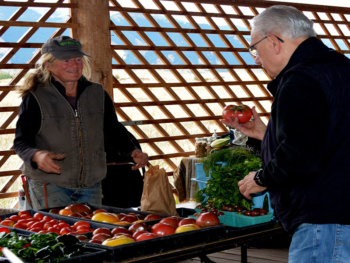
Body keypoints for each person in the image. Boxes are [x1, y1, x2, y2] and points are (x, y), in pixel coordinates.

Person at [221, 5, 350, 262]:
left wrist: (261, 177)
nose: (256, 59)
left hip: (323, 219)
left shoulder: (300, 80)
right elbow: (326, 138)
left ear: (273, 41)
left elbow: (300, 157)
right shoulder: (340, 67)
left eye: (254, 49)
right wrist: (264, 133)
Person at [14, 36, 148, 210]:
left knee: (90, 233)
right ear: (48, 64)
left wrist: (132, 150)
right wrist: (36, 155)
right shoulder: (35, 97)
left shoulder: (97, 93)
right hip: (50, 183)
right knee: (59, 234)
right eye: (66, 60)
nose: (75, 65)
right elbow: (21, 142)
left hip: (91, 183)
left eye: (78, 59)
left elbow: (113, 130)